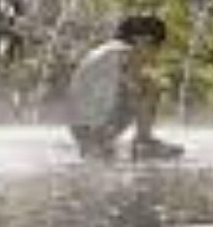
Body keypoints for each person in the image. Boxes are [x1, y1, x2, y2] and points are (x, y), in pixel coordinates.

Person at [67, 15, 183, 162]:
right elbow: (136, 86)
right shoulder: (126, 52)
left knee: (141, 84)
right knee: (150, 84)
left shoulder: (107, 49)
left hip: (79, 128)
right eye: (155, 46)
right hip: (93, 129)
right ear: (142, 40)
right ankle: (144, 142)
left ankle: (102, 144)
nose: (154, 55)